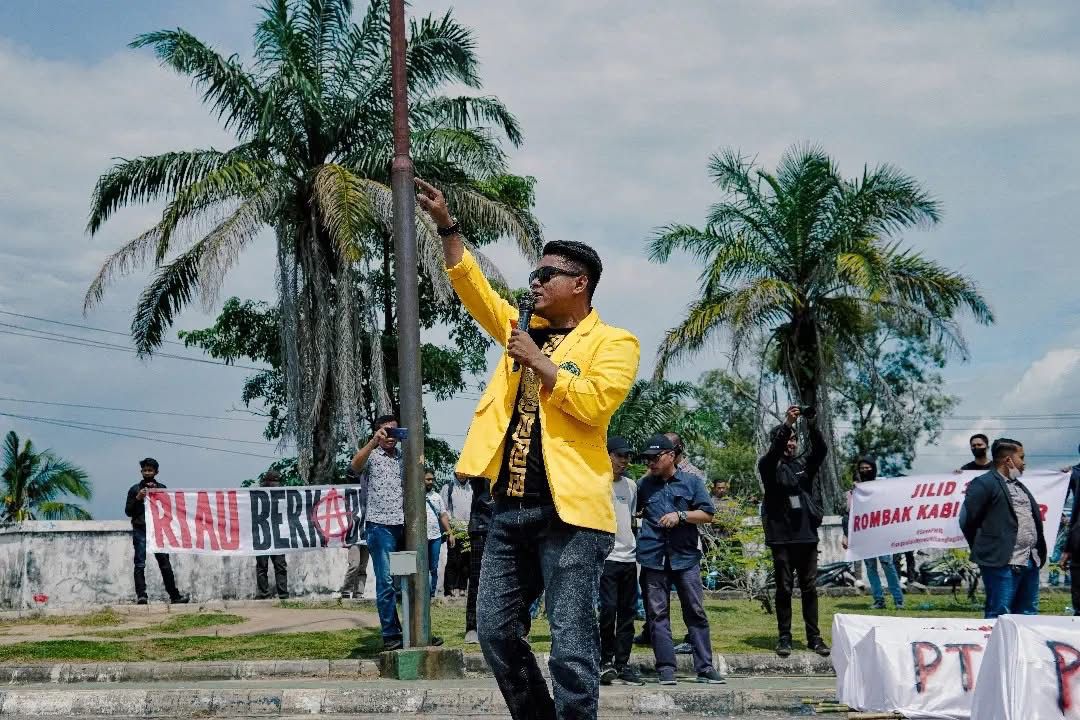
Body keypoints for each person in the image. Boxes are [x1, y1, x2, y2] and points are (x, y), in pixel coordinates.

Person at [418, 178, 639, 720]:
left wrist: (539, 362)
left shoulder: (615, 343)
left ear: (579, 283)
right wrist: (447, 227)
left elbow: (594, 403)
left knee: (571, 641)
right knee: (494, 631)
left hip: (572, 516)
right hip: (508, 508)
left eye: (547, 274)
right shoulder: (520, 328)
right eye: (534, 274)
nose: (535, 282)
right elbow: (473, 290)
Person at [636, 434, 725, 685]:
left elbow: (707, 514)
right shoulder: (643, 486)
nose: (650, 462)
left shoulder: (692, 482)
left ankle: (705, 667)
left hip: (685, 558)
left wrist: (681, 515)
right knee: (657, 614)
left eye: (655, 457)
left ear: (671, 456)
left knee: (695, 611)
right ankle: (666, 668)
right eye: (647, 458)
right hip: (653, 558)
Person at [758, 406, 829, 658]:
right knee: (784, 588)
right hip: (781, 537)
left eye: (794, 439)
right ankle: (784, 637)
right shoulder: (768, 466)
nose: (791, 443)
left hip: (806, 535)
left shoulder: (803, 465)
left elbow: (820, 451)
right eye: (787, 439)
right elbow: (774, 450)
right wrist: (787, 423)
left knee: (809, 588)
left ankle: (814, 638)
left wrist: (811, 424)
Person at [959, 438, 1046, 619]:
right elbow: (967, 520)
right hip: (1001, 563)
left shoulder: (1019, 486)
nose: (1024, 463)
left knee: (1028, 615)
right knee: (999, 615)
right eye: (1021, 457)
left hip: (1029, 561)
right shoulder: (984, 483)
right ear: (1008, 460)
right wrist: (987, 548)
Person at [350, 415, 406, 651]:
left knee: (407, 581)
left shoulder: (404, 457)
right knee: (385, 582)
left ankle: (413, 632)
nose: (390, 436)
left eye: (394, 432)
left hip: (403, 528)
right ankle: (390, 634)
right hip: (380, 528)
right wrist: (373, 442)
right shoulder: (371, 456)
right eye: (386, 431)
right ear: (378, 432)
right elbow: (354, 466)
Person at [598, 437, 644, 687]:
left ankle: (622, 663)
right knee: (607, 611)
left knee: (628, 614)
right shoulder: (597, 483)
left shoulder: (631, 486)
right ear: (608, 456)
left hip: (629, 558)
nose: (624, 461)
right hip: (607, 558)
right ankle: (604, 661)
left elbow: (631, 518)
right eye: (619, 455)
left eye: (627, 456)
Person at [124, 458, 189, 605]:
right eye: (145, 470)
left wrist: (159, 495)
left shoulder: (162, 489)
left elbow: (169, 510)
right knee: (140, 563)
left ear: (156, 472)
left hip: (158, 531)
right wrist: (138, 498)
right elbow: (128, 511)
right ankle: (141, 596)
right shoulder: (134, 489)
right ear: (141, 472)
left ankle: (174, 596)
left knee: (165, 563)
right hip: (140, 529)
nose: (147, 473)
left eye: (150, 470)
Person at [841, 458, 903, 610]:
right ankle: (878, 600)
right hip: (865, 534)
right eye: (862, 468)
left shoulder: (882, 486)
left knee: (887, 564)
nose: (864, 470)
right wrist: (846, 535)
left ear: (873, 469)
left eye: (867, 467)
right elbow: (848, 515)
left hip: (881, 533)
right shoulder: (854, 491)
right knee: (870, 567)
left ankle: (898, 600)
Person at [464, 474, 493, 644]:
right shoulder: (481, 467)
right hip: (481, 526)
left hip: (506, 524)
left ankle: (503, 628)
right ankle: (472, 627)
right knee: (477, 580)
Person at [254, 470, 289, 600]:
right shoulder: (257, 497)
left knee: (280, 566)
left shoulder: (282, 496)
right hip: (262, 535)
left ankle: (282, 595)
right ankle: (265, 594)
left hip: (277, 535)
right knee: (263, 567)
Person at [338, 466, 369, 600]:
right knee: (354, 564)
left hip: (366, 534)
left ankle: (359, 594)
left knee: (362, 567)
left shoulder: (368, 490)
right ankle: (346, 591)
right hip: (353, 535)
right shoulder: (346, 493)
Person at [441, 473, 473, 597]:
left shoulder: (472, 488)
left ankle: (462, 587)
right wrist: (450, 531)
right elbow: (443, 510)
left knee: (466, 561)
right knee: (453, 560)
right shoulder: (448, 488)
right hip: (454, 530)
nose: (461, 475)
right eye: (459, 472)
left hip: (468, 530)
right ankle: (450, 588)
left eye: (464, 472)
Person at [424, 469, 455, 599]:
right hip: (420, 538)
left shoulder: (436, 497)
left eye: (432, 479)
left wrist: (450, 533)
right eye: (428, 479)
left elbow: (443, 515)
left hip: (435, 536)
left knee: (433, 567)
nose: (431, 482)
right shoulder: (414, 496)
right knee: (421, 566)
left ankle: (431, 595)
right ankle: (421, 594)